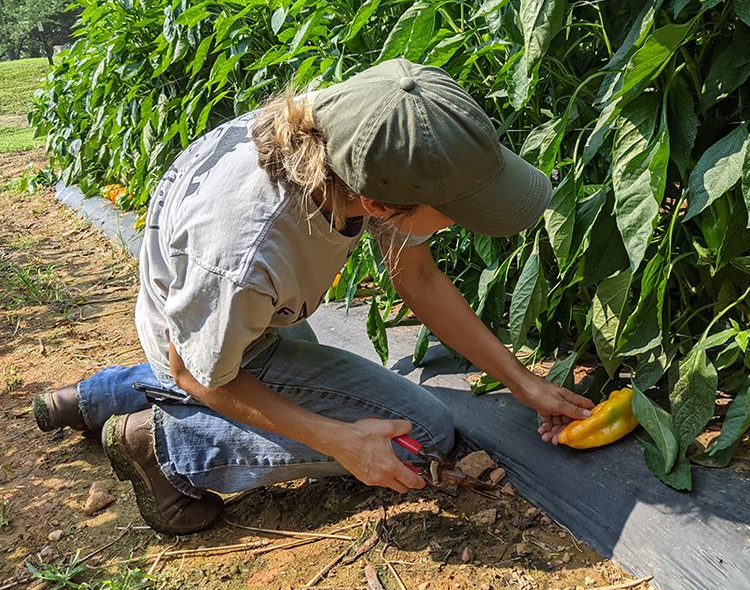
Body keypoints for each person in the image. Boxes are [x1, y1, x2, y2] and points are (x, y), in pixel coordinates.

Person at [32, 58, 594, 535]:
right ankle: (170, 447)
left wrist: (522, 382)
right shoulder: (250, 254)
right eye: (457, 212)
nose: (459, 222)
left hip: (219, 313)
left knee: (260, 353)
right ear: (377, 206)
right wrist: (341, 441)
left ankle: (97, 394)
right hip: (204, 337)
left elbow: (417, 277)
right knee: (418, 435)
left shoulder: (358, 135)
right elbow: (196, 374)